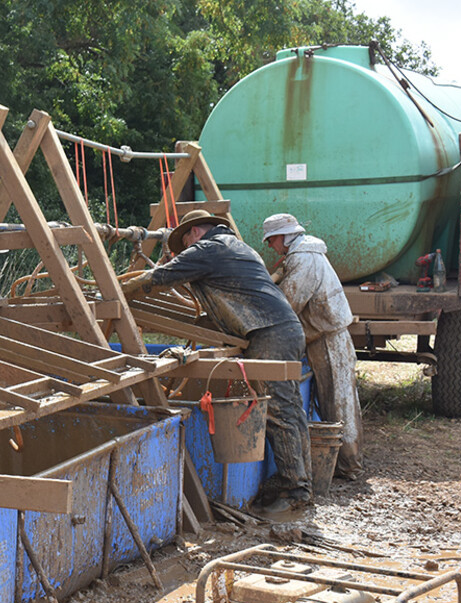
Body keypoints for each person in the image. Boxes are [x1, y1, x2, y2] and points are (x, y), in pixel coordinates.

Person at [121, 209, 312, 514]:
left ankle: (296, 491)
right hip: (278, 328)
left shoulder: (211, 247)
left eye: (186, 244)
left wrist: (115, 290)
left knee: (279, 412)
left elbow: (159, 277)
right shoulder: (235, 247)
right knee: (289, 409)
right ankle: (297, 481)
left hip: (269, 332)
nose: (187, 250)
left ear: (195, 232)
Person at [264, 213, 363, 480]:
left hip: (328, 338)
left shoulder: (303, 258)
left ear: (285, 236)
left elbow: (289, 303)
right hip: (323, 335)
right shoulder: (302, 253)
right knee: (332, 401)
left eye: (272, 240)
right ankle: (341, 463)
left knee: (339, 403)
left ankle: (348, 467)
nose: (271, 246)